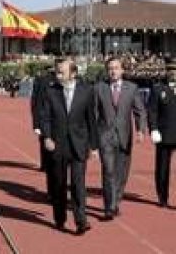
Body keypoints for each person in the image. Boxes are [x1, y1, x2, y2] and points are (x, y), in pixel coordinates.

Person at [41, 58, 98, 235]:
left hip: (79, 144)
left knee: (78, 184)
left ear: (73, 73)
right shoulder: (50, 91)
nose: (58, 75)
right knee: (59, 184)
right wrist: (47, 137)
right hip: (58, 144)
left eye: (62, 72)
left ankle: (81, 220)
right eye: (57, 72)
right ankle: (59, 218)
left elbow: (91, 120)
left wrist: (94, 147)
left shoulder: (87, 91)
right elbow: (45, 117)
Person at [94, 57, 147, 221]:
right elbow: (94, 114)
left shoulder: (132, 88)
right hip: (105, 136)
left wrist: (140, 130)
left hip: (125, 136)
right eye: (110, 68)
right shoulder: (99, 88)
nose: (113, 71)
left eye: (116, 68)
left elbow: (140, 111)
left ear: (122, 70)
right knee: (108, 171)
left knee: (122, 173)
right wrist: (92, 140)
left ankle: (116, 201)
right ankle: (109, 207)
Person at [148, 61, 176, 208]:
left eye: (175, 70)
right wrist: (153, 129)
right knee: (163, 167)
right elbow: (152, 111)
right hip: (165, 133)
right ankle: (162, 196)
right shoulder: (158, 89)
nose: (173, 73)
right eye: (170, 70)